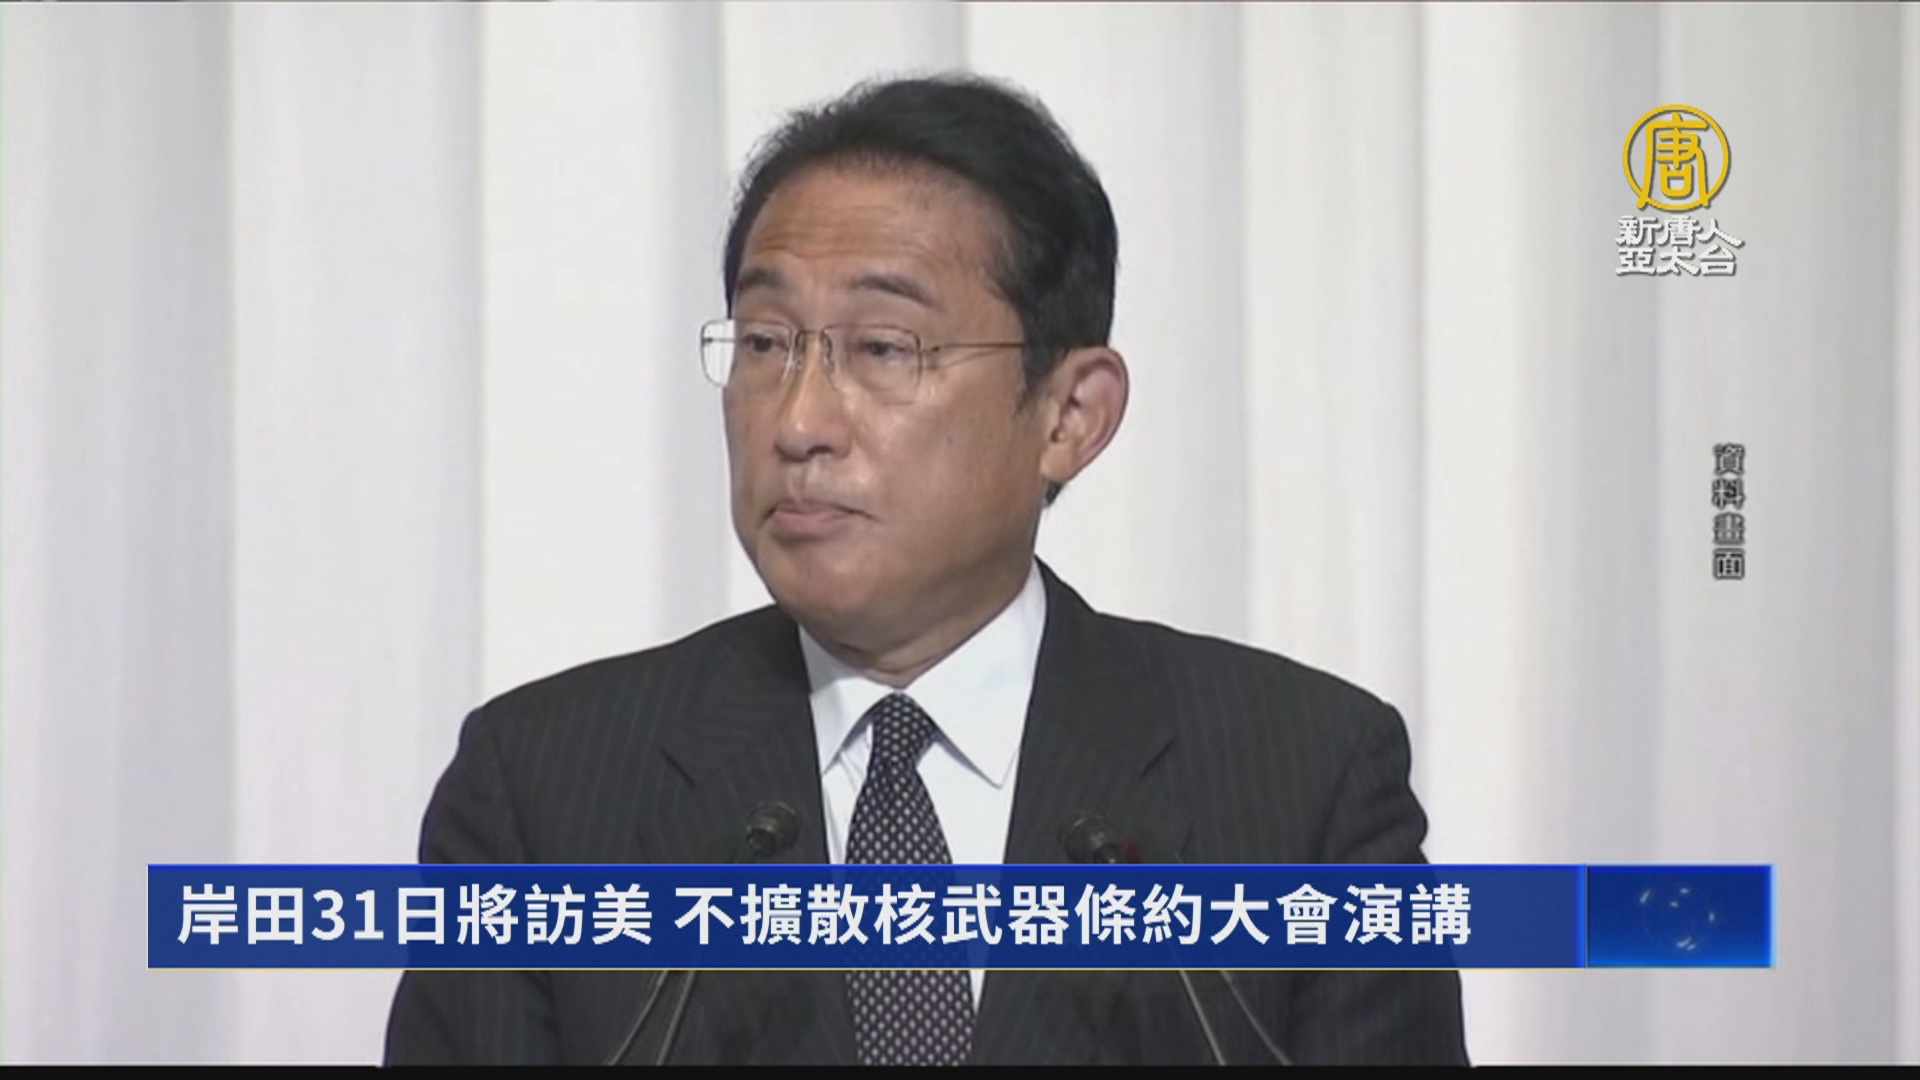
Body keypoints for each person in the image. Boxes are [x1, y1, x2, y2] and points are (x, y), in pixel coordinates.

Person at [384, 73, 1468, 1066]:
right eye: (764, 344)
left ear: (1070, 416)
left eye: (883, 349)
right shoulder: (541, 796)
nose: (799, 422)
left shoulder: (1305, 788)